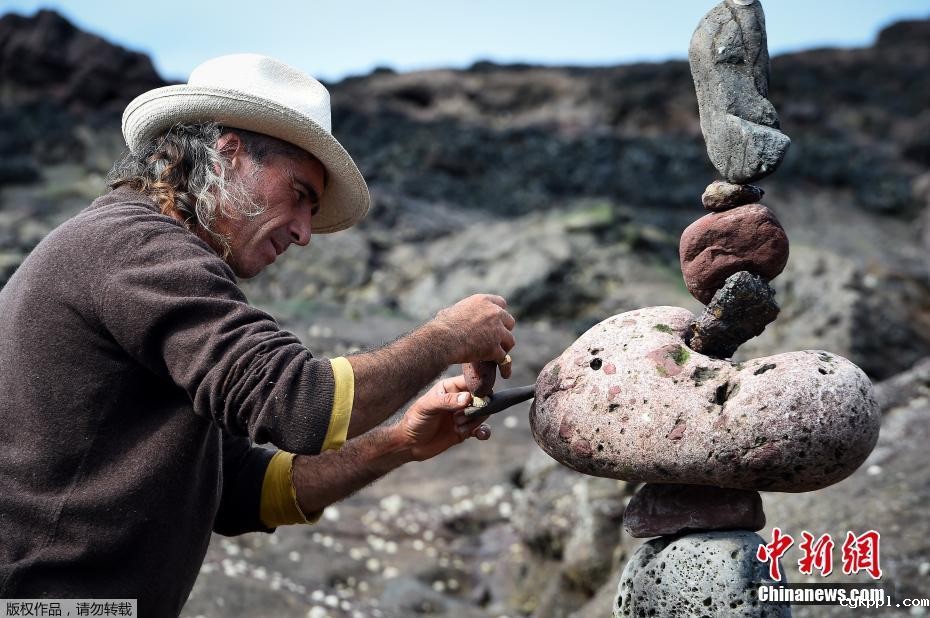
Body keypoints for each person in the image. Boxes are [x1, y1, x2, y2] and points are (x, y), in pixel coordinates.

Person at [0, 54, 515, 615]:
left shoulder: (143, 256)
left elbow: (242, 490)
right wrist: (447, 335)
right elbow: (298, 404)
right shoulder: (135, 246)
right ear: (228, 152)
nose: (303, 233)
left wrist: (397, 443)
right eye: (299, 195)